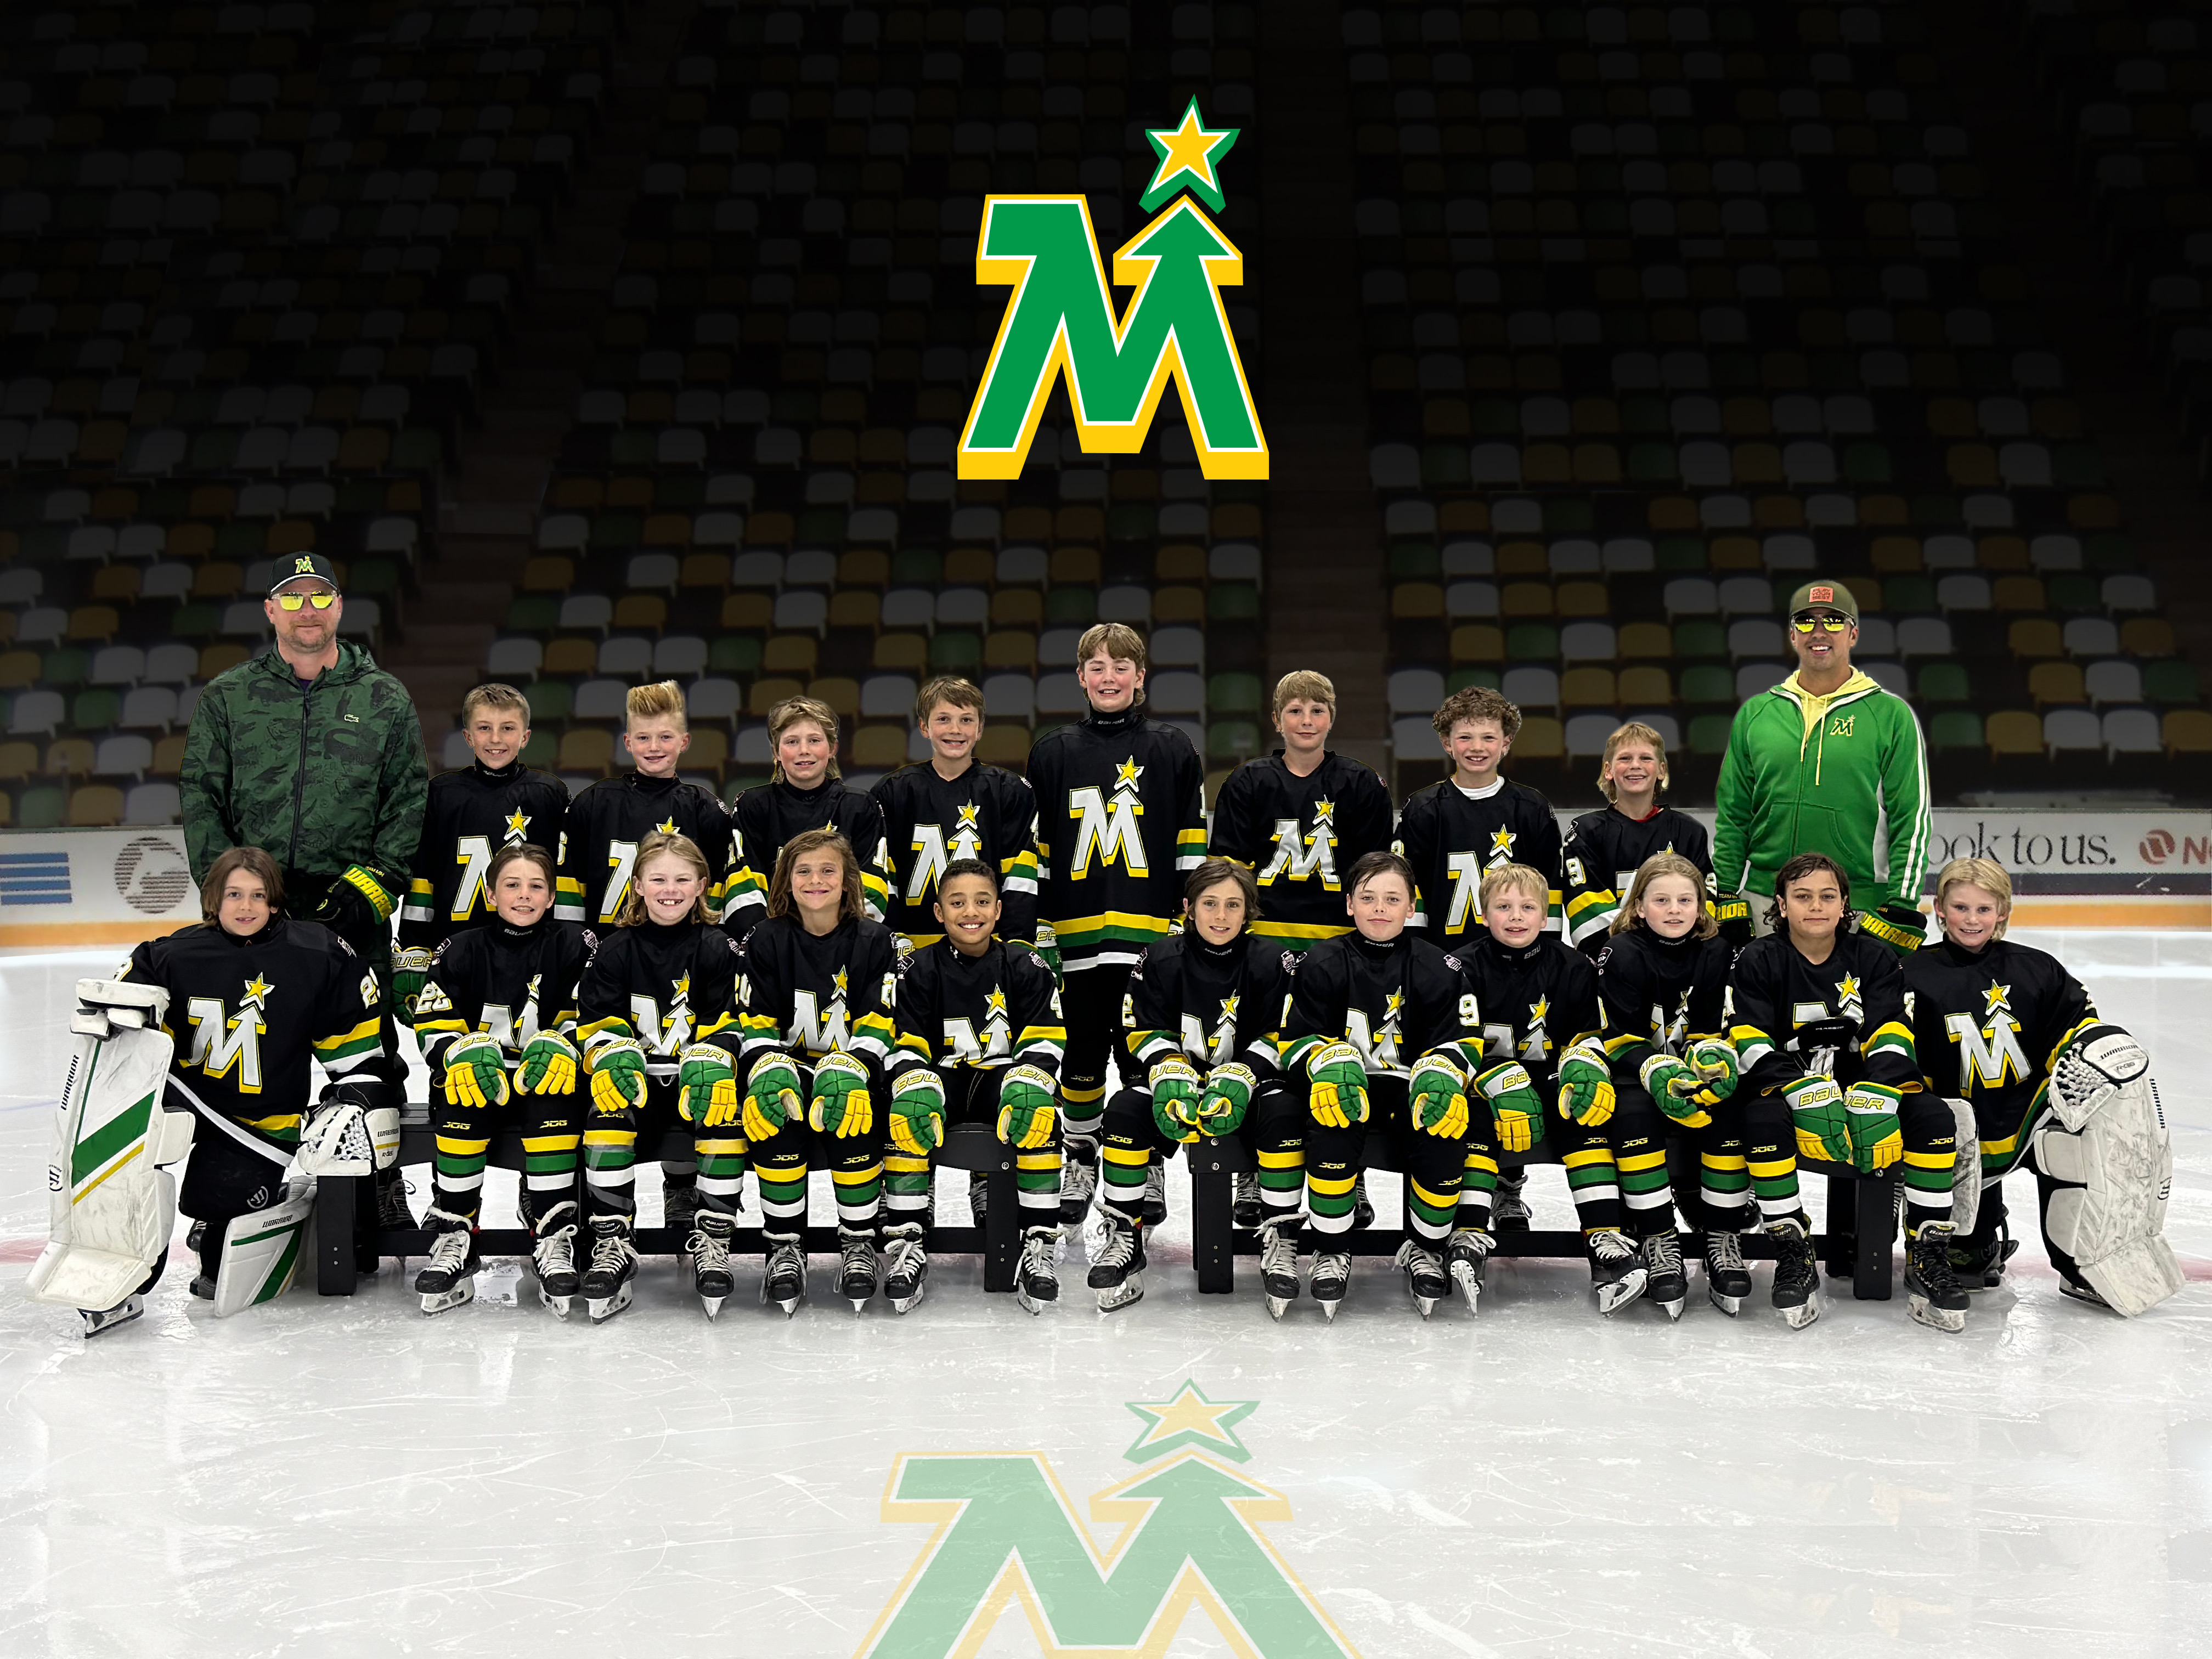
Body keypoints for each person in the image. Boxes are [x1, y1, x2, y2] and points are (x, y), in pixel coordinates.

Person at [178, 552, 425, 1235]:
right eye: (293, 598)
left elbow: (408, 799)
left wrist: (372, 886)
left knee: (370, 1057)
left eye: (320, 596)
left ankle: (381, 1187)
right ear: (271, 611)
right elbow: (201, 794)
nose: (308, 610)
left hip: (351, 912)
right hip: (257, 916)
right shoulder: (229, 696)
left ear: (339, 607)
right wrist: (231, 892)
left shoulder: (384, 697)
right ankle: (231, 1189)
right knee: (242, 1059)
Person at [110, 847, 393, 1316]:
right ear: (213, 900)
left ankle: (223, 1218)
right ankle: (126, 1268)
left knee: (219, 1267)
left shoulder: (318, 952)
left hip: (258, 1122)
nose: (246, 907)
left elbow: (355, 1050)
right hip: (185, 1099)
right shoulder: (170, 955)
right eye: (234, 895)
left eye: (258, 896)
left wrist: (354, 1093)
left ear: (276, 901)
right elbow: (126, 1019)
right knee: (127, 1176)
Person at [1903, 857, 2181, 1317]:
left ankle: (2079, 1263)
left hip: (2031, 1113)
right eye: (1961, 908)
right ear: (1940, 910)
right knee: (1969, 1262)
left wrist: (2092, 1046)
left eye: (1984, 909)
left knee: (2075, 1146)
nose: (1972, 919)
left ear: (2003, 912)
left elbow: (2076, 1027)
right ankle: (1979, 1236)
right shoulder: (1912, 973)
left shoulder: (2037, 968)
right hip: (1956, 1121)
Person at [1727, 851, 1961, 1331]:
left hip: (1865, 1085)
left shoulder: (1873, 957)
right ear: (1781, 905)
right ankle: (1793, 1250)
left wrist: (1879, 1090)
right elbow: (1748, 1037)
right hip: (1787, 1088)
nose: (1816, 906)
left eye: (1827, 896)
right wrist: (1798, 1089)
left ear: (1844, 903)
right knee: (1760, 1123)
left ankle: (1928, 1253)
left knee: (1935, 1118)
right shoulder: (1757, 958)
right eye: (1803, 896)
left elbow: (1893, 1029)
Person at [1025, 622, 1206, 1228]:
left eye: (1121, 667)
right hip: (1074, 930)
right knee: (1080, 1050)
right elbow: (1039, 849)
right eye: (1097, 668)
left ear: (1141, 676)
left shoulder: (1173, 748)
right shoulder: (1052, 751)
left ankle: (1145, 1158)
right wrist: (1040, 926)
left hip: (1149, 931)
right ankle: (1080, 1155)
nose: (1109, 678)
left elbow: (1189, 842)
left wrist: (1186, 921)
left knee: (1141, 1052)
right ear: (1081, 678)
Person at [1595, 853, 1811, 1324]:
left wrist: (1710, 1062)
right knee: (1632, 1115)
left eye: (1685, 900)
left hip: (1690, 1070)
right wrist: (1656, 1070)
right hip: (1636, 1071)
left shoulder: (1717, 951)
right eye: (1661, 900)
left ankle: (1722, 1235)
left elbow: (1711, 1029)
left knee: (1729, 1107)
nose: (1674, 910)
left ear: (1701, 906)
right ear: (1639, 906)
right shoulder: (1622, 952)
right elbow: (1619, 1038)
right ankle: (1658, 1238)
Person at [1278, 850, 1494, 1319]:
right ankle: (1331, 1248)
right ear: (1349, 904)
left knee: (1444, 1120)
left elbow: (1465, 1039)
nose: (1380, 908)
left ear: (1412, 906)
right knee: (1332, 1118)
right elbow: (1292, 1042)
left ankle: (1427, 1247)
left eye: (1393, 899)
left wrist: (1442, 1072)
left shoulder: (1441, 966)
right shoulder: (1320, 961)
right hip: (1347, 1087)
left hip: (1408, 1088)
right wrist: (1326, 1060)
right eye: (1368, 897)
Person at [557, 681, 734, 1242]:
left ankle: (683, 1190)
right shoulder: (592, 804)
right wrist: (578, 952)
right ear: (627, 741)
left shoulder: (705, 808)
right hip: (614, 959)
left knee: (690, 1063)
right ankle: (575, 1214)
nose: (654, 747)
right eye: (643, 737)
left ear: (684, 741)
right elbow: (568, 893)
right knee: (605, 1084)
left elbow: (722, 892)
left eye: (665, 737)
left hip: (684, 954)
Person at [1091, 860, 1299, 1315]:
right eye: (1210, 904)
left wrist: (1244, 1073)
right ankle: (1126, 1236)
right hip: (1182, 1083)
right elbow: (1140, 1027)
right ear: (1189, 907)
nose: (1221, 916)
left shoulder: (1272, 960)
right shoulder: (1159, 957)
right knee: (1124, 1109)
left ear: (1249, 911)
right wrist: (1169, 1068)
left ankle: (1280, 1234)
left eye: (1233, 905)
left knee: (1285, 1112)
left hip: (1250, 1085)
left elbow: (1283, 1032)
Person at [408, 843, 595, 1318]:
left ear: (552, 897)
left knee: (555, 1098)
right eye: (512, 885)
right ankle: (456, 1232)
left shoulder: (576, 946)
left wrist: (563, 1046)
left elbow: (595, 1015)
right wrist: (460, 1052)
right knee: (461, 1097)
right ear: (491, 894)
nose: (524, 895)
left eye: (536, 886)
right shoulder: (460, 948)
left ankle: (552, 1233)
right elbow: (431, 1022)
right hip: (482, 1080)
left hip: (542, 1080)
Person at [882, 857, 1067, 1314]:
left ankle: (1038, 1241)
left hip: (1000, 1080)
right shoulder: (916, 968)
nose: (971, 912)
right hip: (942, 1079)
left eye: (983, 902)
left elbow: (1045, 1035)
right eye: (958, 902)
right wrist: (915, 1084)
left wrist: (1029, 1082)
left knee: (1038, 1112)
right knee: (907, 1113)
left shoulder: (1025, 964)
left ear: (999, 910)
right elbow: (903, 1039)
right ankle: (908, 1239)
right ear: (939, 912)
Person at [1460, 863, 1646, 1314]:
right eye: (1503, 907)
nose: (1516, 917)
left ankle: (1604, 1238)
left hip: (1549, 1078)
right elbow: (1453, 1043)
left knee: (1583, 1109)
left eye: (1528, 908)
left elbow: (1587, 1038)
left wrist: (1584, 1069)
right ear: (1483, 914)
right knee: (1474, 1118)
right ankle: (1467, 1236)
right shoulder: (1461, 966)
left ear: (1546, 917)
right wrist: (1492, 1077)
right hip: (1486, 1085)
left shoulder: (1574, 966)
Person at [575, 831, 745, 1322]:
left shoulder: (719, 947)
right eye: (658, 880)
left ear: (702, 886)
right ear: (637, 886)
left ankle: (713, 1238)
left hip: (695, 1080)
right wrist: (613, 1054)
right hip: (640, 1081)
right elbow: (596, 1021)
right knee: (606, 1116)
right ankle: (613, 1239)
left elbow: (732, 1021)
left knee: (722, 1113)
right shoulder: (614, 949)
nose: (670, 890)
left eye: (682, 880)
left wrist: (712, 1058)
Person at [733, 828, 904, 1314]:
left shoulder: (876, 939)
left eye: (828, 870)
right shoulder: (766, 938)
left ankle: (858, 1241)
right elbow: (755, 1019)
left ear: (848, 880)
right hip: (789, 1070)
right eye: (803, 871)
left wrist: (851, 1068)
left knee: (851, 1111)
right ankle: (784, 1245)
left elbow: (882, 1019)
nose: (816, 880)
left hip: (853, 1071)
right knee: (776, 1112)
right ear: (786, 881)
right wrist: (771, 1069)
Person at [1712, 578, 1932, 953]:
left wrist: (1901, 902)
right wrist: (1726, 891)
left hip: (1857, 905)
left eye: (1833, 621)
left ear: (1853, 634)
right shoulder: (1757, 713)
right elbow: (1734, 813)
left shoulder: (1891, 715)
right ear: (1792, 635)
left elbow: (1911, 817)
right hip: (1765, 900)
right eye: (1805, 622)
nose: (1819, 632)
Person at [394, 682, 568, 1029]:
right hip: (455, 948)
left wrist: (567, 943)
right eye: (484, 728)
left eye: (508, 728)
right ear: (468, 736)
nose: (496, 739)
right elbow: (424, 876)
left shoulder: (549, 793)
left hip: (531, 951)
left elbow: (561, 877)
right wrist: (414, 947)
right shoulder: (442, 794)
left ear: (526, 737)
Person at [1207, 669, 1393, 955]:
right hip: (1262, 938)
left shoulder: (1362, 783)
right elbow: (1228, 869)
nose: (1307, 721)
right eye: (1295, 711)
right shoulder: (1247, 781)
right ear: (1276, 720)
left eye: (1317, 711)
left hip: (1342, 939)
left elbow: (1376, 873)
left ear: (1331, 718)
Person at [871, 675, 1040, 953]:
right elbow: (884, 879)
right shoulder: (893, 792)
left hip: (989, 949)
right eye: (943, 719)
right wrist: (893, 944)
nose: (955, 730)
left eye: (966, 720)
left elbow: (1020, 878)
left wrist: (1014, 949)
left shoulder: (1009, 791)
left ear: (980, 728)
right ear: (924, 727)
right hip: (913, 952)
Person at [1560, 720, 1747, 957]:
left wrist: (1669, 947)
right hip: (1618, 959)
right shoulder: (1586, 832)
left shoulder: (1689, 831)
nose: (1635, 765)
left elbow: (1703, 904)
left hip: (1680, 958)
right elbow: (1587, 915)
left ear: (1662, 770)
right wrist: (1643, 949)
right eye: (1625, 758)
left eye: (1646, 758)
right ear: (1608, 770)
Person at [1395, 685, 1562, 945]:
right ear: (1447, 743)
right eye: (1465, 737)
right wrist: (1416, 955)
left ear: (1506, 743)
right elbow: (1406, 888)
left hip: (1517, 958)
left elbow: (1549, 888)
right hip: (1441, 956)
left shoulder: (1532, 808)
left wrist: (1546, 954)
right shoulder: (1423, 809)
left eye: (1488, 737)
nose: (1477, 747)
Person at [724, 695, 892, 939]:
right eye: (792, 742)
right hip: (773, 944)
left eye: (814, 740)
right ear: (776, 752)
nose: (804, 751)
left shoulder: (860, 806)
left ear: (832, 749)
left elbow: (872, 887)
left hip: (843, 943)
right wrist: (769, 942)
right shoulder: (753, 806)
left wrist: (836, 940)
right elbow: (744, 886)